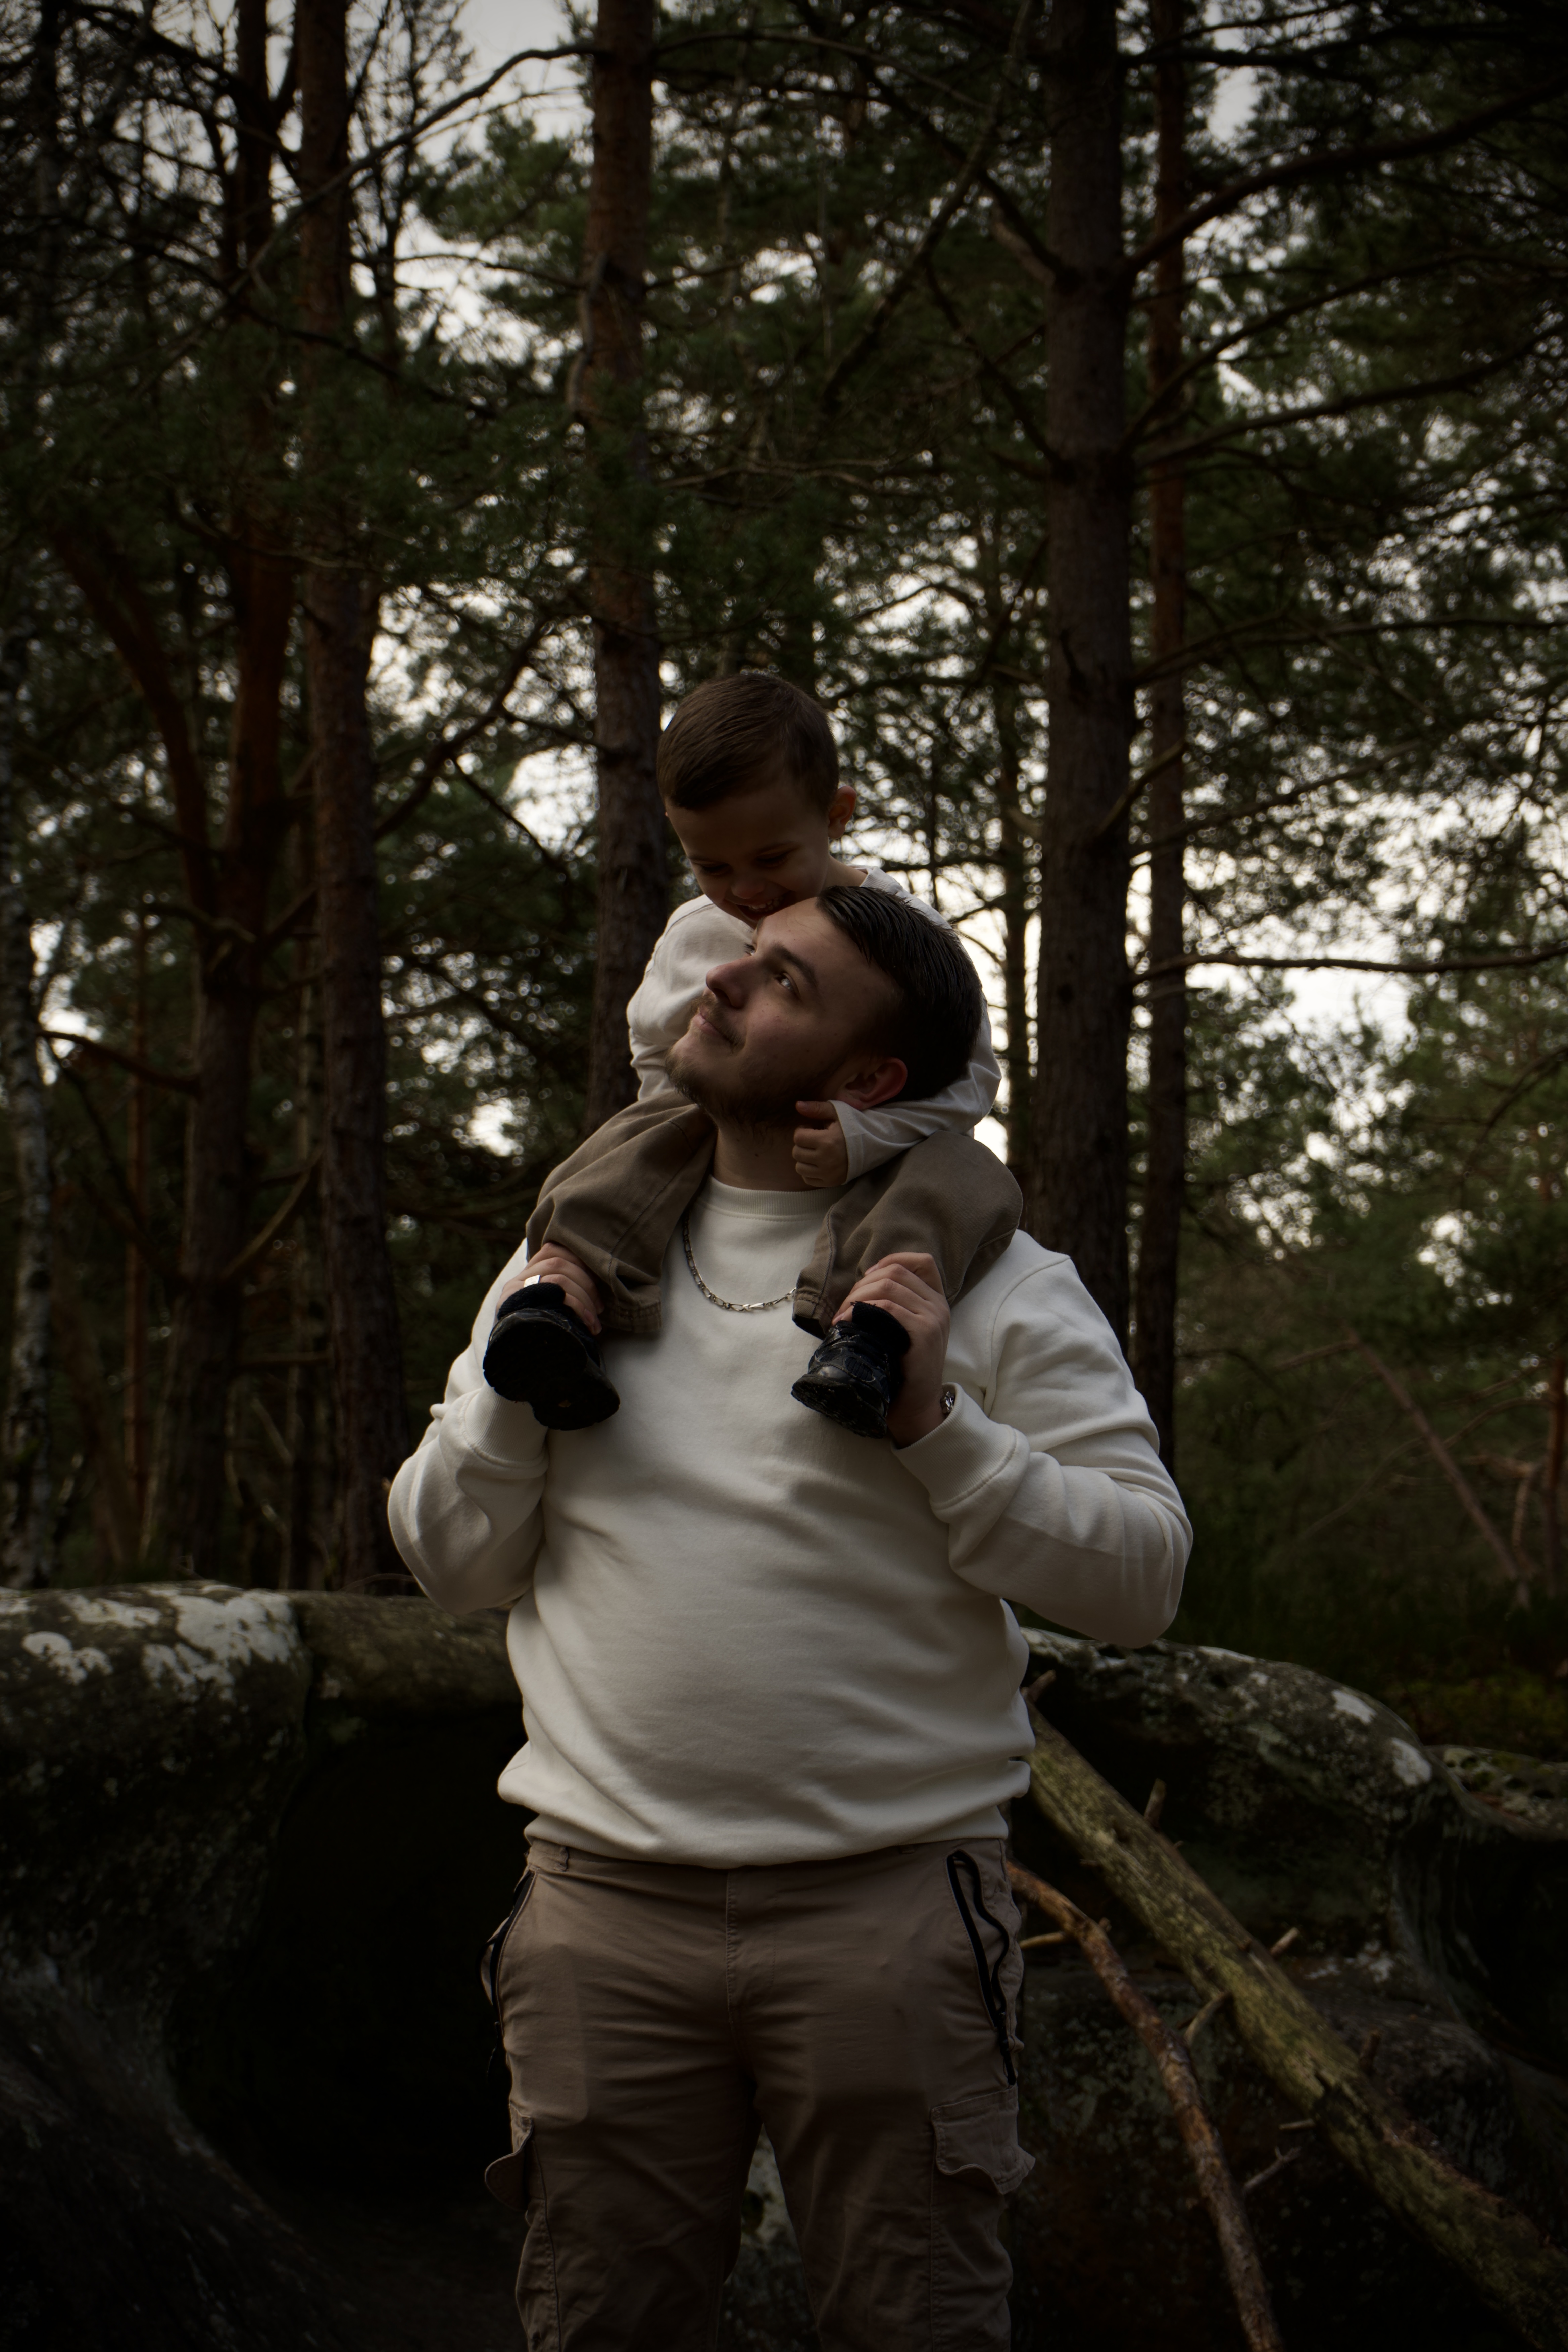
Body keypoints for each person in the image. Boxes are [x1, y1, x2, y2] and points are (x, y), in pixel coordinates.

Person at [389, 885, 1191, 2352]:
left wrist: (940, 1427)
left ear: (869, 1083)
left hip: (886, 1917)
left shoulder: (993, 1281)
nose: (726, 985)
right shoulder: (571, 1260)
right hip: (602, 1914)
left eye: (785, 986)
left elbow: (1142, 1575)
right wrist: (516, 1385)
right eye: (744, 959)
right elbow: (447, 1559)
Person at [485, 669, 1020, 1440]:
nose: (745, 890)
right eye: (712, 867)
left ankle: (868, 1332)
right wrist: (682, 1129)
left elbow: (972, 1080)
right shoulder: (693, 933)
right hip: (716, 1125)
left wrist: (865, 1135)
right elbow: (651, 1043)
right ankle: (563, 1294)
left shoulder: (902, 936)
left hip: (888, 1147)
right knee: (616, 1151)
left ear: (836, 816)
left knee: (960, 1176)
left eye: (770, 858)